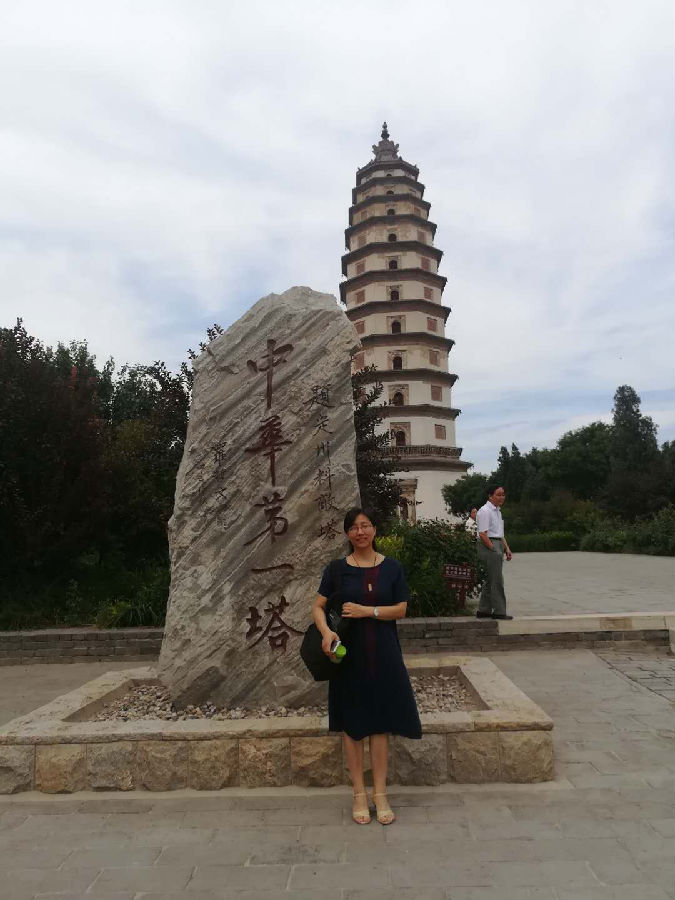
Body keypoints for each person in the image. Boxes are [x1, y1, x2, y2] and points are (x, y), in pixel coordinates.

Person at [312, 507, 421, 826]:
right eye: (354, 527)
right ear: (347, 533)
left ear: (374, 529)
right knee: (353, 725)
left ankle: (380, 794)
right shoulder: (336, 569)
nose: (360, 532)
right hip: (349, 657)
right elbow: (318, 607)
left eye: (365, 525)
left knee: (380, 724)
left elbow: (401, 608)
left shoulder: (392, 567)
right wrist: (326, 632)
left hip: (384, 654)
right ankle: (359, 793)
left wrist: (367, 611)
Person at [475, 485, 513, 620]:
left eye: (503, 494)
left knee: (490, 579)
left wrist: (506, 548)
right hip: (488, 544)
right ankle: (499, 611)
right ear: (490, 496)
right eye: (498, 494)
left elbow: (499, 533)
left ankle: (483, 610)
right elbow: (483, 534)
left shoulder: (497, 511)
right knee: (497, 580)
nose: (502, 497)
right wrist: (494, 549)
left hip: (497, 542)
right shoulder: (485, 511)